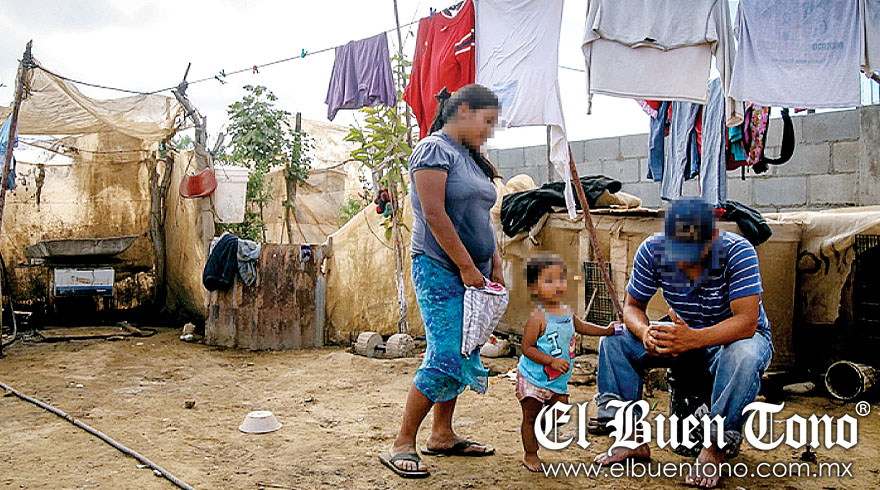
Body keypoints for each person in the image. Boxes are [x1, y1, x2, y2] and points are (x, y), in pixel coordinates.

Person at [592, 196, 774, 489]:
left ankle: (714, 448)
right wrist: (645, 332)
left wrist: (694, 339)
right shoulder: (652, 250)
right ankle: (630, 438)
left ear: (713, 237)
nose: (687, 264)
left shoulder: (739, 252)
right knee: (616, 340)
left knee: (745, 355)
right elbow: (632, 308)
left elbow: (746, 322)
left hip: (730, 339)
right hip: (683, 334)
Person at [379, 84, 503, 478]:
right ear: (463, 110)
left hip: (473, 271)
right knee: (445, 354)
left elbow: (482, 218)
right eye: (486, 121)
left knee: (462, 351)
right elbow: (434, 214)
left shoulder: (471, 158)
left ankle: (442, 434)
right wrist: (466, 266)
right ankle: (402, 442)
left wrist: (495, 262)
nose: (489, 131)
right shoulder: (433, 149)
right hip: (439, 268)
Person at [517, 253, 616, 472]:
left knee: (560, 409)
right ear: (534, 288)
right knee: (530, 417)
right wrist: (551, 360)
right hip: (533, 378)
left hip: (557, 381)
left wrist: (606, 330)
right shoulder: (538, 317)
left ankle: (537, 430)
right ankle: (530, 454)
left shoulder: (566, 313)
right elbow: (527, 348)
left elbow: (583, 327)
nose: (558, 285)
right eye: (549, 280)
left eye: (561, 279)